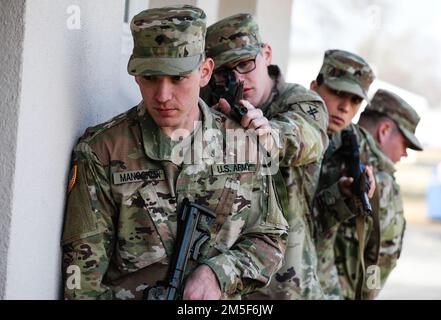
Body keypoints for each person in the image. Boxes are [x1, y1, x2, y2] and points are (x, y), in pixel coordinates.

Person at [61, 5, 288, 300]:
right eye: (150, 77)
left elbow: (270, 236)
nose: (163, 96)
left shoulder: (242, 144)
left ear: (205, 72)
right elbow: (82, 283)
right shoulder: (101, 152)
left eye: (178, 78)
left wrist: (218, 274)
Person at [202, 13, 329, 299]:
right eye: (225, 71)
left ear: (266, 54)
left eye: (246, 63)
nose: (239, 78)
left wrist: (267, 133)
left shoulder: (300, 101)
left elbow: (303, 136)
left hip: (285, 283)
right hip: (225, 279)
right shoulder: (210, 105)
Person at [310, 49, 377, 299]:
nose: (345, 107)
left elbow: (372, 245)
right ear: (315, 87)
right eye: (337, 93)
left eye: (355, 100)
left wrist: (350, 197)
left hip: (324, 285)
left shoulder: (354, 145)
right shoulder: (287, 136)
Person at [356, 88, 423, 298]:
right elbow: (376, 255)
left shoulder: (332, 150)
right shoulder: (377, 178)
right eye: (405, 144)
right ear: (384, 130)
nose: (404, 153)